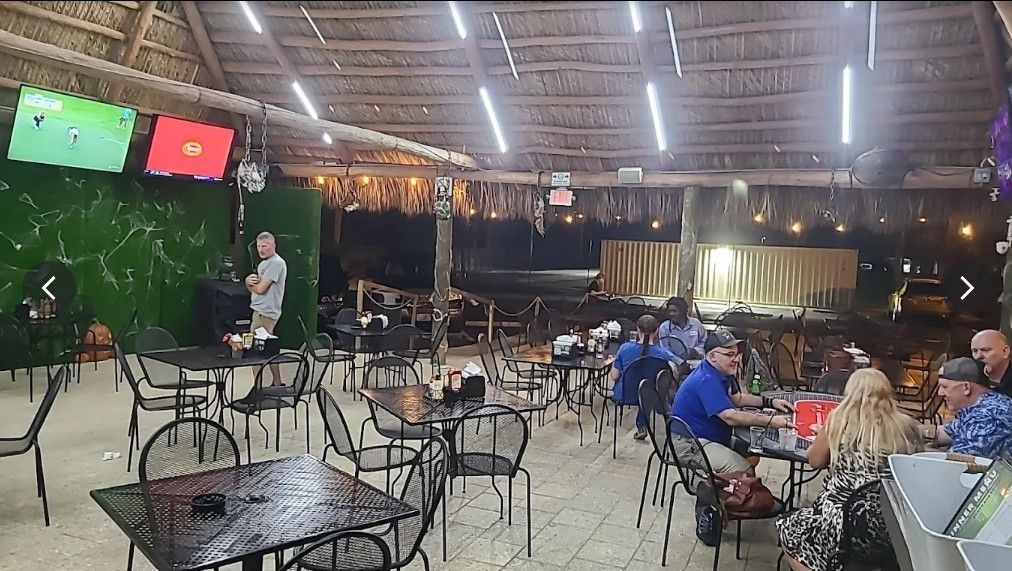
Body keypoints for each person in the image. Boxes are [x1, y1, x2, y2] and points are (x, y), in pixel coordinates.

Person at [777, 368, 923, 571]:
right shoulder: (907, 426)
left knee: (787, 527)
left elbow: (815, 461)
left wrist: (825, 437)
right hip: (891, 519)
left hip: (840, 516)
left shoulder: (838, 421)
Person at [671, 329, 794, 473]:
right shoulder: (706, 380)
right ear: (712, 356)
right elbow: (730, 417)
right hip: (689, 443)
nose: (736, 359)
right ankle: (719, 485)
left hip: (709, 436)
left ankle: (729, 484)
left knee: (753, 451)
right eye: (729, 355)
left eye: (737, 354)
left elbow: (738, 399)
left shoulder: (723, 371)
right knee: (744, 470)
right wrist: (771, 421)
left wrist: (771, 402)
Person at [610, 314, 682, 440]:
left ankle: (642, 426)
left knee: (642, 389)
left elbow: (614, 376)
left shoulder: (624, 348)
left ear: (637, 329)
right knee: (647, 391)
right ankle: (643, 424)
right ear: (657, 331)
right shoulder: (663, 355)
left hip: (624, 394)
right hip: (650, 397)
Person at [932, 356, 1012, 459]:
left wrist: (919, 450)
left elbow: (955, 462)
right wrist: (913, 429)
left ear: (966, 387)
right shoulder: (982, 406)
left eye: (945, 387)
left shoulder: (987, 418)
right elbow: (948, 432)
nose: (940, 393)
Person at [245, 231, 288, 387]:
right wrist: (249, 284)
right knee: (269, 348)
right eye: (258, 246)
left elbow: (261, 288)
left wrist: (248, 283)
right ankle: (277, 382)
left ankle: (257, 387)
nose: (261, 250)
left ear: (273, 246)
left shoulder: (276, 263)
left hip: (265, 313)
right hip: (261, 311)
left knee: (255, 351)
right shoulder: (264, 264)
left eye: (265, 246)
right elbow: (256, 289)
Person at [971, 329, 1012, 397]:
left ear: (1005, 351)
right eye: (975, 351)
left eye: (986, 350)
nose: (978, 356)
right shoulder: (970, 376)